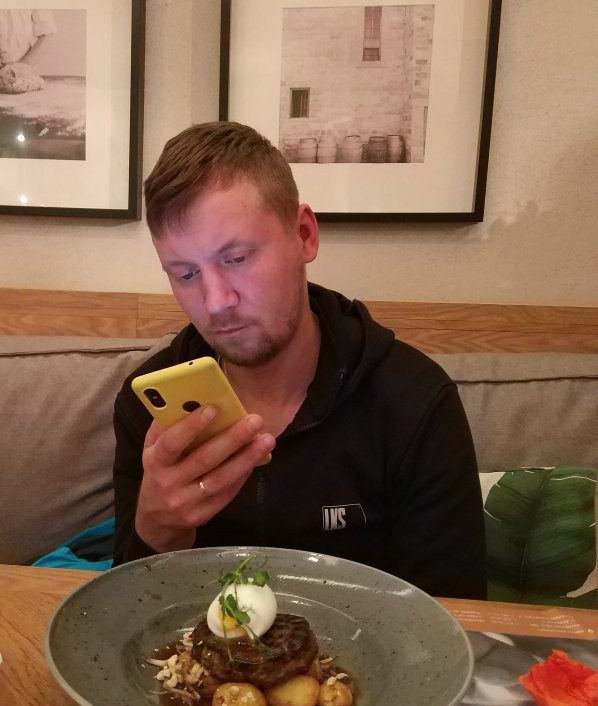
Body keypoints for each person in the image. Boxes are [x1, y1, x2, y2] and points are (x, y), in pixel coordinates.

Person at [112, 121, 486, 599]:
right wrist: (155, 531)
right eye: (185, 274)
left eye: (237, 258)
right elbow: (124, 611)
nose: (216, 301)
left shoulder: (414, 404)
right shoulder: (149, 406)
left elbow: (451, 618)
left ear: (304, 234)